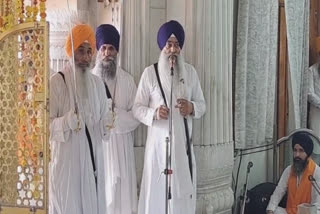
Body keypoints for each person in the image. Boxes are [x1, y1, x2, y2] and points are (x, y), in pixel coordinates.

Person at [133, 20, 206, 214]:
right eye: (169, 44)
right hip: (158, 149)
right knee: (157, 196)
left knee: (180, 197)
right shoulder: (150, 73)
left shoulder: (190, 73)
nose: (173, 49)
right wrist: (154, 113)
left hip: (182, 150)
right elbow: (137, 108)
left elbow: (202, 105)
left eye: (176, 45)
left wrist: (191, 107)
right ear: (162, 46)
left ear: (181, 47)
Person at [49, 24, 112, 214]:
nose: (85, 57)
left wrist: (107, 123)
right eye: (80, 51)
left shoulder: (98, 84)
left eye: (89, 52)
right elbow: (46, 127)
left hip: (93, 162)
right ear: (71, 51)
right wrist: (66, 121)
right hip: (67, 167)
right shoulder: (57, 82)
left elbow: (102, 127)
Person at [92, 24, 140, 214]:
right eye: (103, 48)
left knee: (122, 198)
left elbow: (136, 116)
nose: (107, 53)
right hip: (100, 147)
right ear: (98, 50)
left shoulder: (127, 80)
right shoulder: (91, 80)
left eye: (111, 48)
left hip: (122, 148)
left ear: (117, 51)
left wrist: (115, 116)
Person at [266, 132, 320, 214]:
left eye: (301, 151)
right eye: (295, 150)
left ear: (308, 153)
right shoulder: (289, 170)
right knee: (275, 210)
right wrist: (270, 210)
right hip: (289, 212)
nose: (297, 155)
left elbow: (317, 205)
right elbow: (279, 191)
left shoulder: (316, 172)